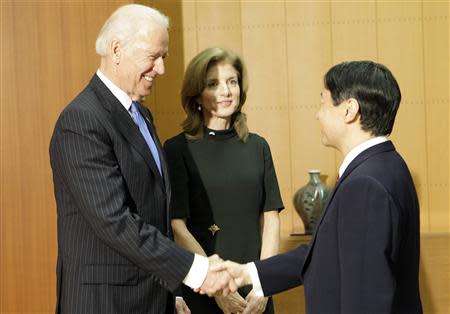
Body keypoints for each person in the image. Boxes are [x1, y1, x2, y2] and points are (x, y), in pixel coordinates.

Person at [49, 5, 236, 314]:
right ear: (116, 49)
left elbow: (155, 215)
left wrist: (170, 292)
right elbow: (115, 221)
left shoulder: (142, 116)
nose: (161, 69)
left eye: (163, 57)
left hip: (151, 298)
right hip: (105, 304)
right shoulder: (81, 121)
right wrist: (196, 270)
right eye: (153, 57)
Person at [214, 61, 423, 314]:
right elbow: (326, 251)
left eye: (323, 102)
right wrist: (248, 273)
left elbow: (366, 297)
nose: (318, 113)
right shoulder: (387, 164)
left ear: (349, 110)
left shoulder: (365, 185)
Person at [163, 47, 284, 314]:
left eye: (232, 82)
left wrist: (264, 285)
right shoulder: (177, 150)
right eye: (213, 84)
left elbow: (271, 219)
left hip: (255, 291)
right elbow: (177, 227)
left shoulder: (258, 147)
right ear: (196, 94)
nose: (226, 91)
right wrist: (216, 287)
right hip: (202, 289)